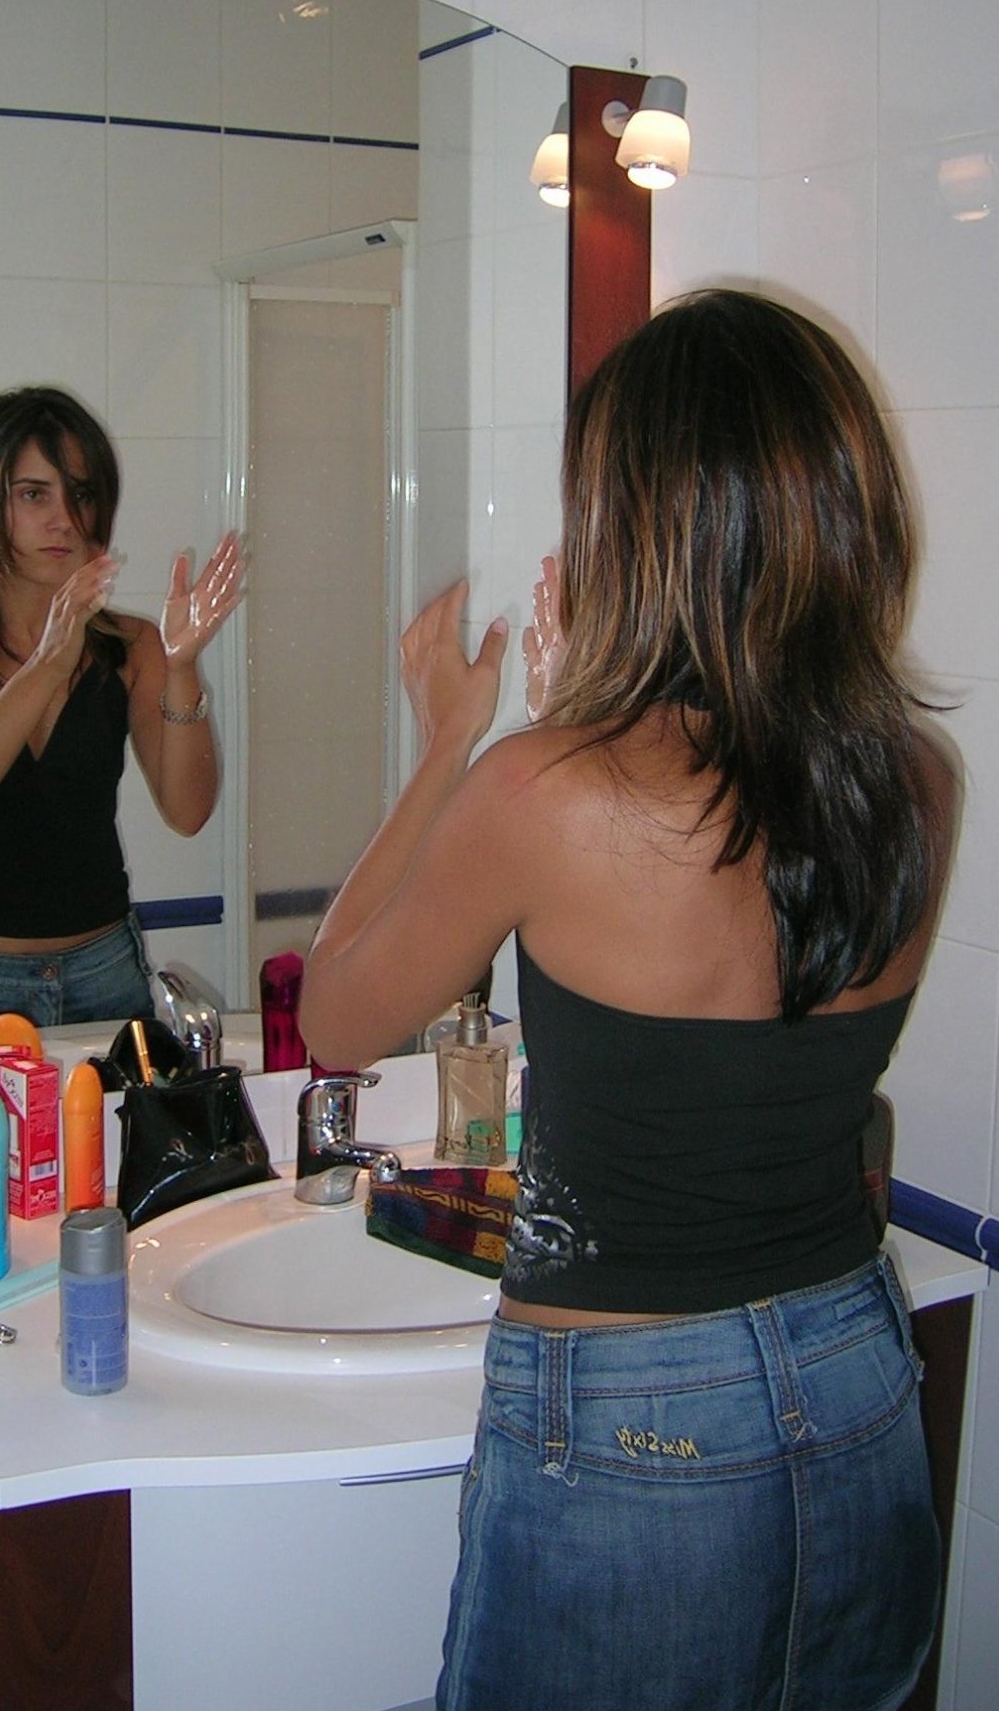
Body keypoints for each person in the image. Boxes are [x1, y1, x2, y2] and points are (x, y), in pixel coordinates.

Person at [298, 290, 958, 1711]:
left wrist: (454, 742)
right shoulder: (913, 782)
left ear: (639, 528)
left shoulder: (544, 792)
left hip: (639, 1427)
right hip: (857, 1378)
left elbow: (334, 1022)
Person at [0, 385, 244, 1042]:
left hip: (103, 973)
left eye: (82, 494)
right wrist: (47, 666)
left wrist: (181, 666)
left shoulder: (133, 646)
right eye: (34, 494)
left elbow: (188, 812)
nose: (64, 519)